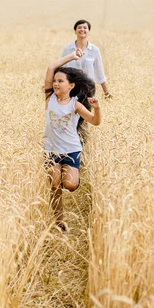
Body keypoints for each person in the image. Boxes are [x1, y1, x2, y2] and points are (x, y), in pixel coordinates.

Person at [44, 49, 102, 231]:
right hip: (51, 149)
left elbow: (94, 121)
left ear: (71, 86)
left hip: (71, 150)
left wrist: (97, 108)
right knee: (54, 185)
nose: (55, 84)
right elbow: (51, 67)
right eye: (55, 81)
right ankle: (59, 221)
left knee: (69, 184)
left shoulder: (75, 104)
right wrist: (72, 56)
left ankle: (69, 175)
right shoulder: (50, 97)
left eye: (60, 81)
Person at [61, 19, 112, 99]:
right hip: (70, 89)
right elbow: (61, 69)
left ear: (89, 31)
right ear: (75, 31)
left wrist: (106, 92)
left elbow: (100, 72)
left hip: (88, 89)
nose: (82, 29)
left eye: (85, 28)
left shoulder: (95, 50)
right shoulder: (67, 49)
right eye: (79, 27)